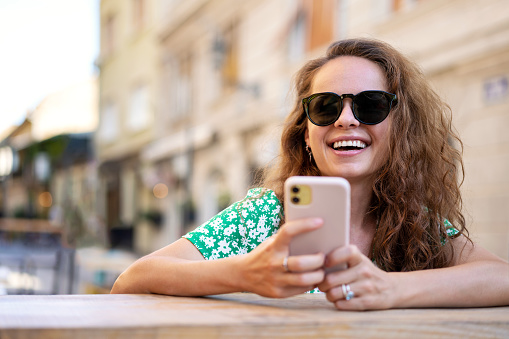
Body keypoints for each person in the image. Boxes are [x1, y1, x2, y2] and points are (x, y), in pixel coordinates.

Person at [111, 38, 509, 310]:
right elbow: (132, 279)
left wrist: (393, 289)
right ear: (306, 133)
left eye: (370, 105)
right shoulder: (268, 213)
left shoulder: (415, 221)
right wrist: (245, 274)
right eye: (325, 106)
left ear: (399, 128)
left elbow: (499, 278)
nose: (347, 120)